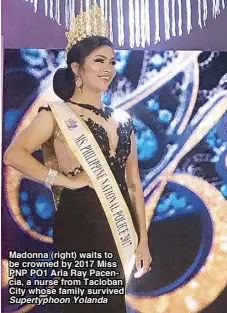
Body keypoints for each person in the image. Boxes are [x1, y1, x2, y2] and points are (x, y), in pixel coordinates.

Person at [4, 5, 152, 313]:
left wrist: (143, 241)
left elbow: (134, 184)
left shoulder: (124, 121)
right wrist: (61, 181)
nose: (108, 69)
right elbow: (13, 155)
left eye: (112, 61)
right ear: (77, 68)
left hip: (119, 226)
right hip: (78, 223)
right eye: (99, 60)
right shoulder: (57, 114)